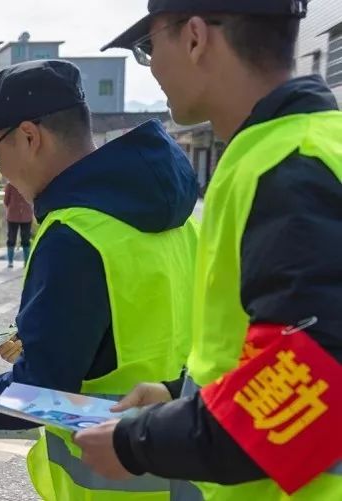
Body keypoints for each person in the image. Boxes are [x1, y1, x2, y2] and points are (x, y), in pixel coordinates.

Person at [75, 1, 342, 500]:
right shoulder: (308, 147)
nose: (151, 65)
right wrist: (180, 397)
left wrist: (138, 443)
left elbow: (315, 374)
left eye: (149, 46)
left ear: (195, 37)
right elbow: (274, 344)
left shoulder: (288, 168)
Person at [0, 59, 200, 500]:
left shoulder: (72, 233)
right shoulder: (177, 216)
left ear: (30, 136)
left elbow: (37, 394)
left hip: (110, 486)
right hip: (184, 475)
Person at [4, 180, 33, 267]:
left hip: (26, 216)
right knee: (11, 238)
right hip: (13, 216)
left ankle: (26, 261)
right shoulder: (10, 185)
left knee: (26, 239)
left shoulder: (30, 184)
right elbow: (6, 200)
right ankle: (10, 261)